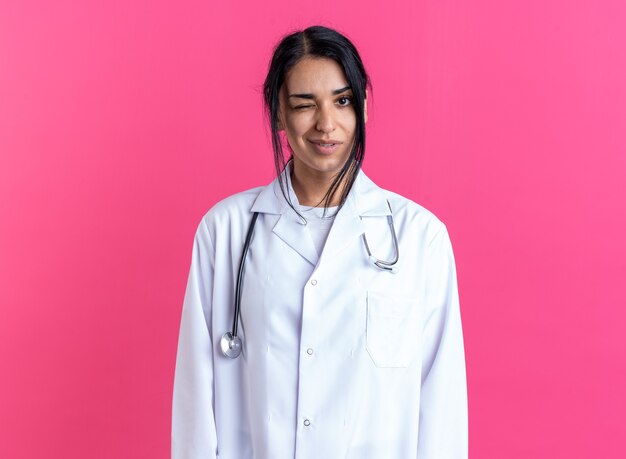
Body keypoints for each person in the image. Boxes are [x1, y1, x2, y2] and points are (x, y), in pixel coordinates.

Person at [172, 25, 467, 459]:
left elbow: (441, 407)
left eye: (342, 101)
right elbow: (196, 399)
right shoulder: (225, 232)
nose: (326, 124)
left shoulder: (420, 239)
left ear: (363, 107)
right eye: (304, 105)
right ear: (278, 114)